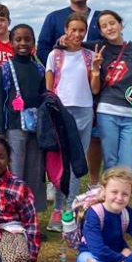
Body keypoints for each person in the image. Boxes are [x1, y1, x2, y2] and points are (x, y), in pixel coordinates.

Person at [45, 12, 101, 229]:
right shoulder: (55, 55)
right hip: (62, 112)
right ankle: (58, 210)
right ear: (66, 31)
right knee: (62, 163)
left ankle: (72, 208)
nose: (77, 34)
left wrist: (95, 70)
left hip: (84, 111)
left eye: (81, 30)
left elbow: (94, 89)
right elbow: (49, 89)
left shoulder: (89, 56)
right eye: (73, 30)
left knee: (77, 163)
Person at [0, 23, 46, 210]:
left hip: (36, 128)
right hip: (14, 127)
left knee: (35, 170)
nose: (23, 43)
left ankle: (31, 214)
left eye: (27, 39)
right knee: (16, 171)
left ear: (34, 42)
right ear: (12, 43)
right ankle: (12, 213)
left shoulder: (39, 69)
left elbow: (45, 97)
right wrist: (0, 130)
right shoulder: (5, 69)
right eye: (18, 39)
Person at [94, 10, 132, 171]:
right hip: (107, 111)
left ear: (121, 24)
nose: (110, 28)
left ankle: (125, 195)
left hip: (131, 114)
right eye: (104, 26)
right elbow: (70, 44)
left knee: (128, 162)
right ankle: (110, 195)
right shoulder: (98, 48)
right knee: (110, 160)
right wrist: (62, 40)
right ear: (100, 31)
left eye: (112, 23)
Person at [37, 0, 103, 56]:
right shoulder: (54, 18)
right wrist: (56, 66)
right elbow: (43, 49)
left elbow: (110, 45)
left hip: (96, 67)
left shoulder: (100, 18)